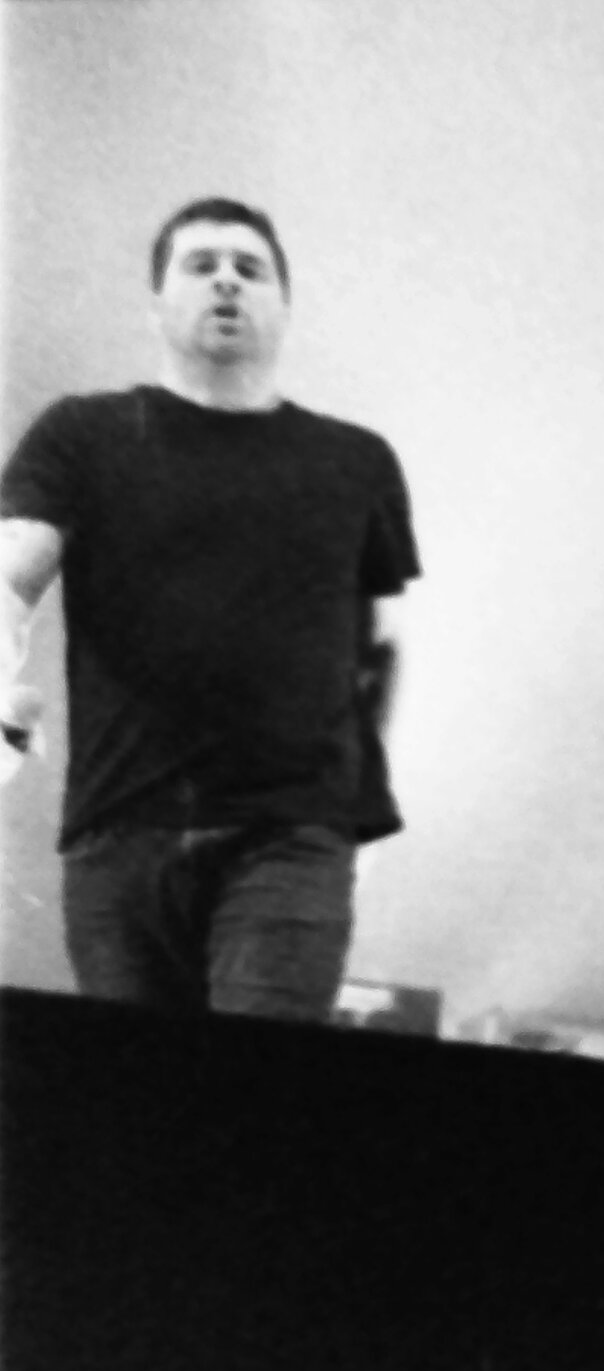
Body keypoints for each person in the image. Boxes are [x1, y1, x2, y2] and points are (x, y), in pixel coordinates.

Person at [0, 197, 418, 1022]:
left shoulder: (357, 462)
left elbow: (383, 651)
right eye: (200, 265)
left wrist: (359, 816)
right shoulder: (83, 436)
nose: (226, 279)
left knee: (248, 1101)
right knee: (141, 1112)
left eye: (250, 267)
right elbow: (12, 574)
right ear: (156, 302)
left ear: (283, 306)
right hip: (119, 830)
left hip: (292, 833)